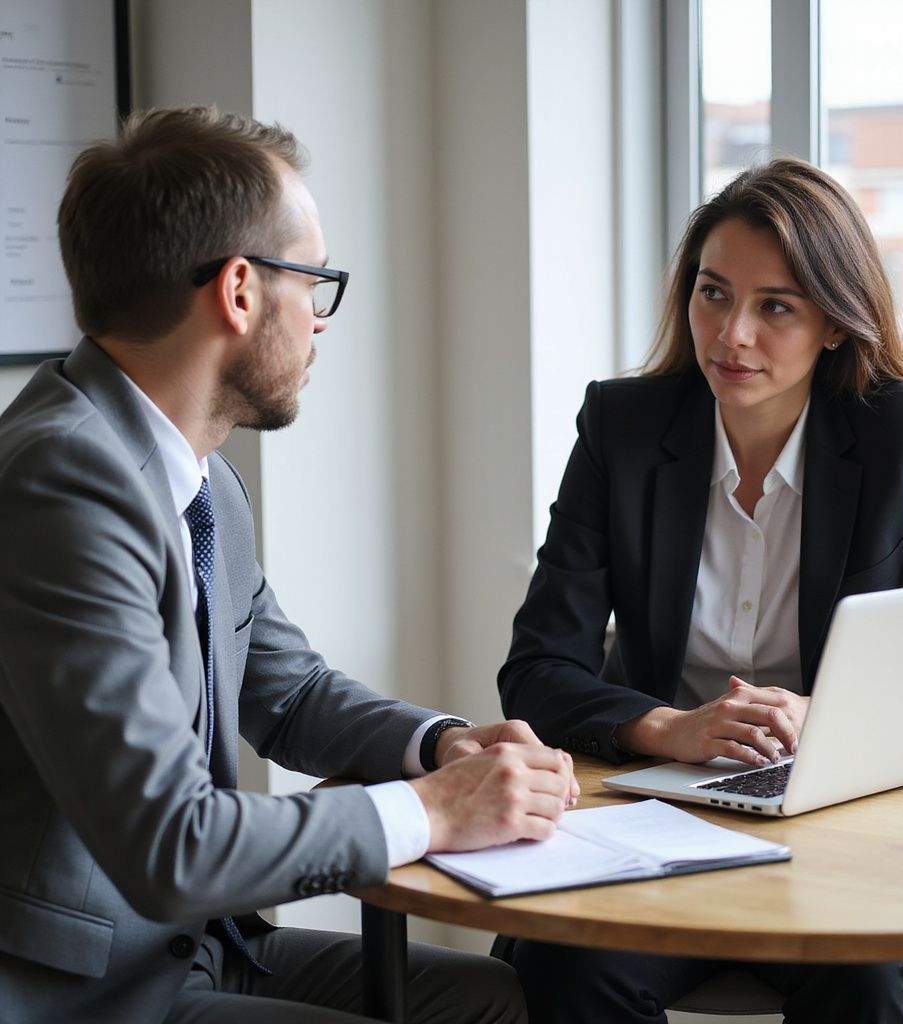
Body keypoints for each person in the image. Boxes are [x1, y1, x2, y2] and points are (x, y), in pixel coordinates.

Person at [0, 106, 578, 1024]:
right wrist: (432, 811)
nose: (321, 320)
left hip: (199, 946)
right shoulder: (62, 483)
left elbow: (291, 692)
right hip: (87, 989)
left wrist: (439, 745)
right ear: (238, 291)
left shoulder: (199, 479)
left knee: (494, 1001)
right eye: (314, 281)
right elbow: (173, 842)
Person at [495, 157, 903, 1024]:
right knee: (567, 969)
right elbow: (538, 669)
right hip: (654, 821)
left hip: (840, 834)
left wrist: (837, 720)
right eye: (713, 293)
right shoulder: (622, 430)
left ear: (833, 323)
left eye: (775, 306)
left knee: (864, 985)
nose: (732, 333)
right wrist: (668, 727)